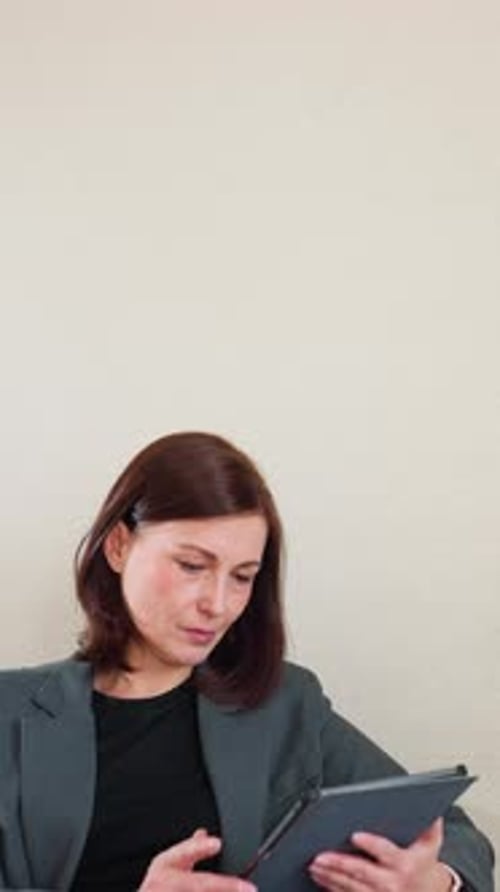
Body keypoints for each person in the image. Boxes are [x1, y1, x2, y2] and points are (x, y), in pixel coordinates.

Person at [0, 432, 494, 892]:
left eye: (242, 576)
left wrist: (429, 881)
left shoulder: (285, 702)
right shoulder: (11, 711)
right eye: (192, 566)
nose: (218, 604)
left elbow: (457, 834)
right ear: (118, 546)